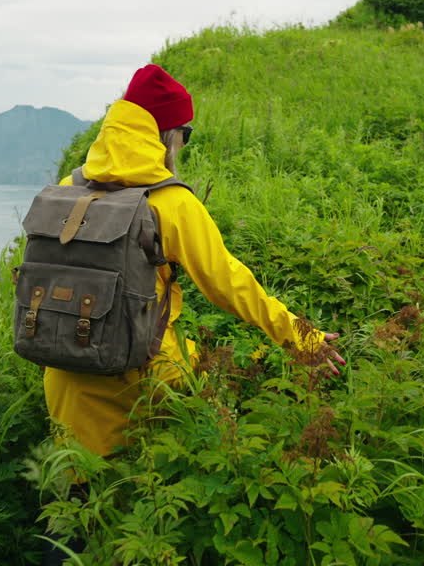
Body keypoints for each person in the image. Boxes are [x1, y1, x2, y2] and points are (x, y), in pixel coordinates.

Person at [39, 64, 344, 564]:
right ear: (166, 133)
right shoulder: (171, 203)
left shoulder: (67, 186)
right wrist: (299, 336)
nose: (183, 146)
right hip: (141, 378)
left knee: (71, 516)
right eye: (185, 134)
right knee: (154, 511)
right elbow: (229, 283)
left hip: (65, 374)